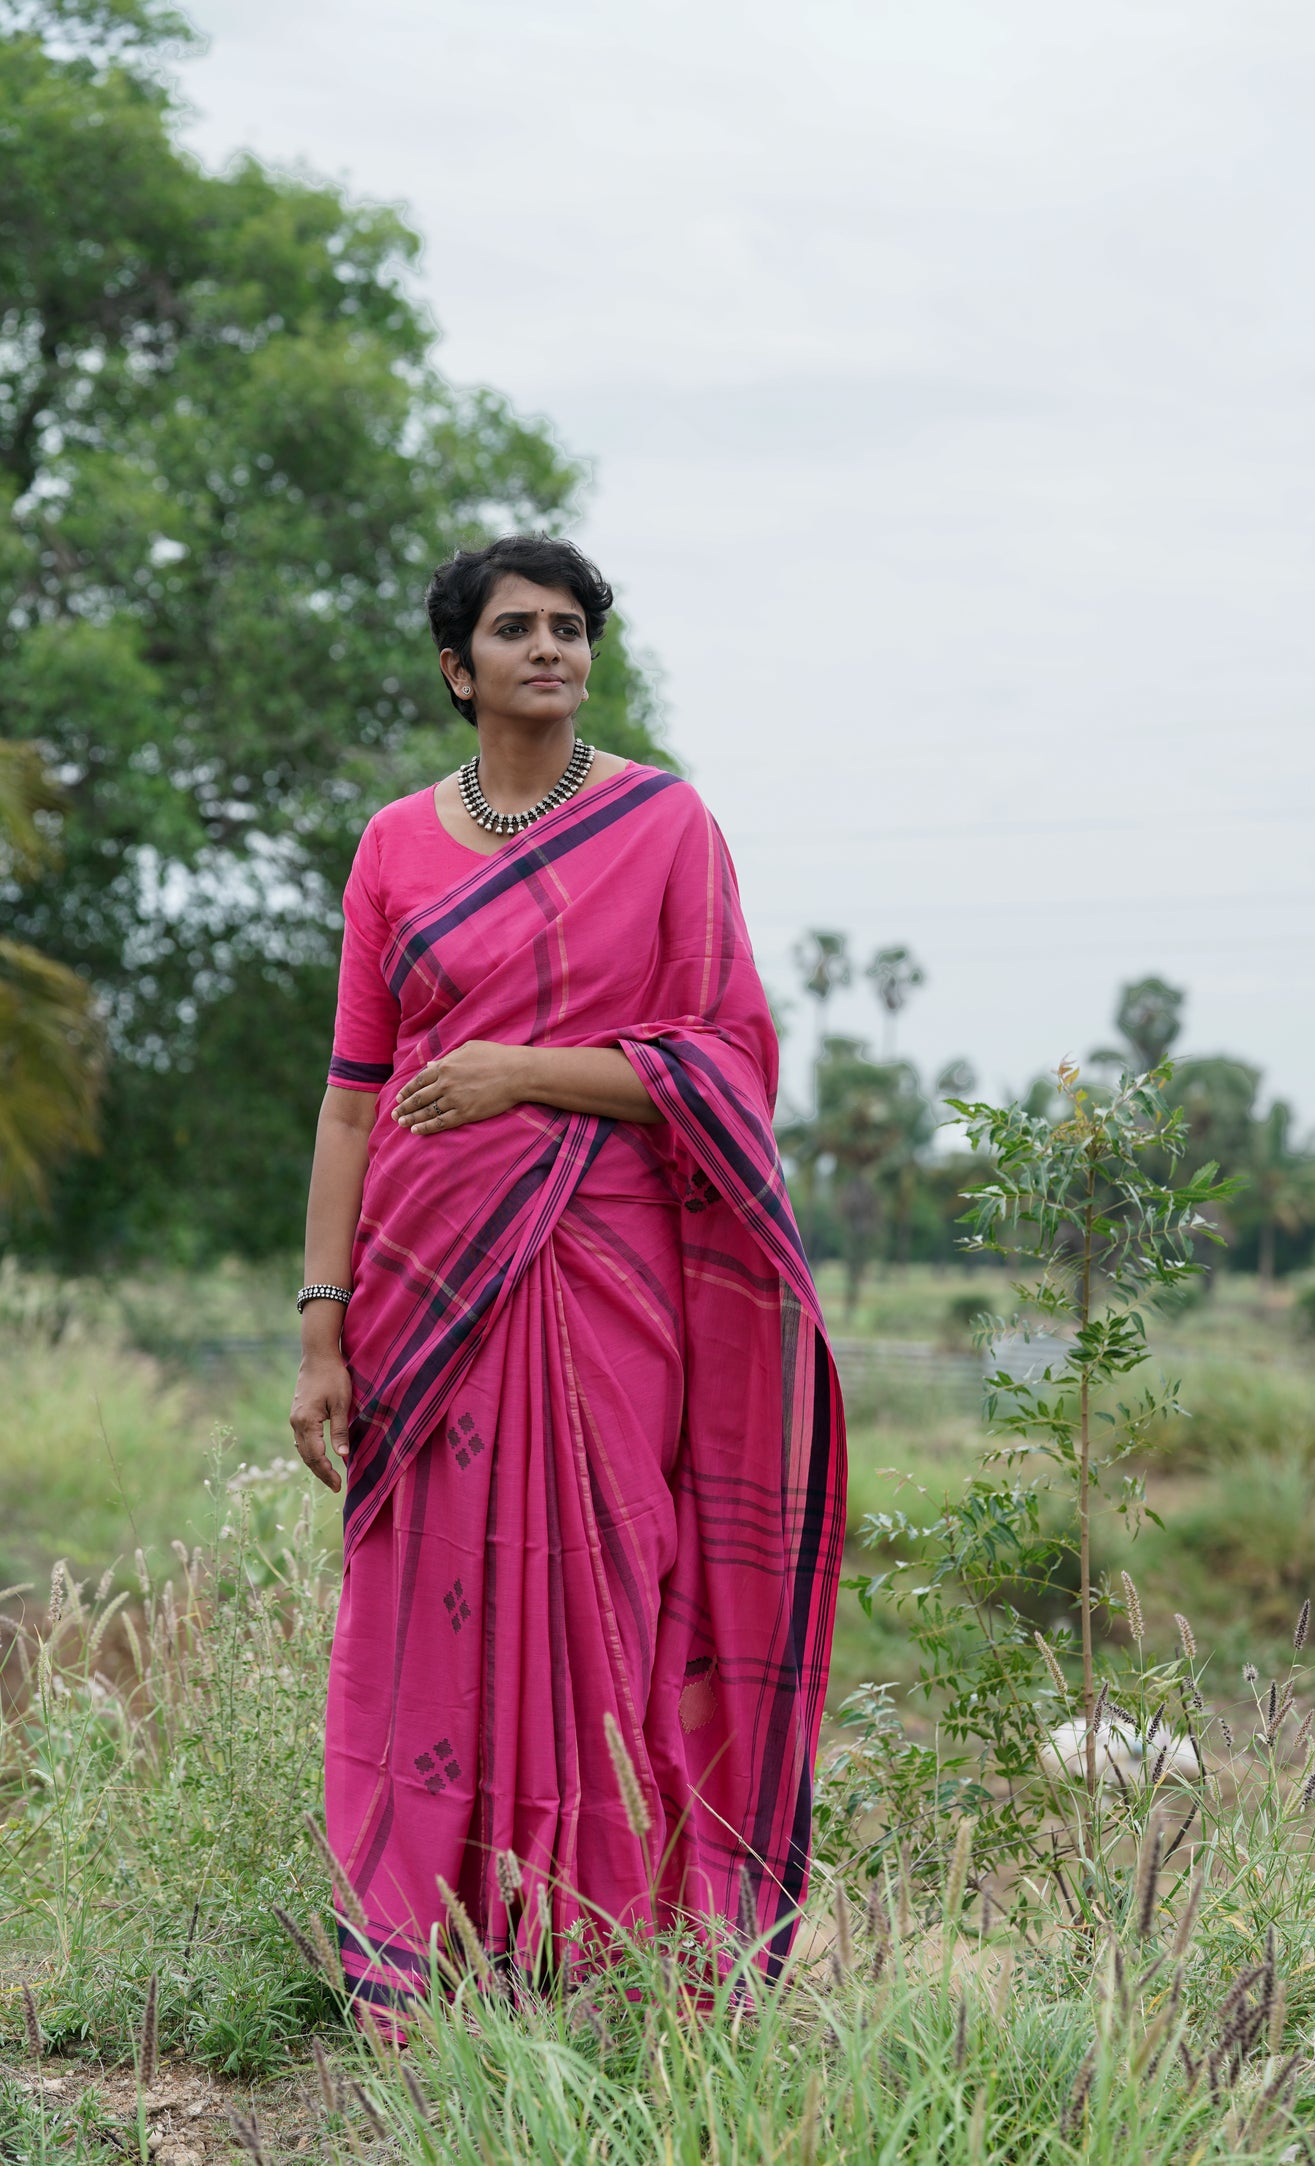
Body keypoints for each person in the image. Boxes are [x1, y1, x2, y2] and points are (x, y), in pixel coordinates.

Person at [289, 534, 845, 2020]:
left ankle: (594, 1935)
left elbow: (724, 1056)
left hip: (608, 1266)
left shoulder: (664, 826)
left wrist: (520, 1073)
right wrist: (320, 1327)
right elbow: (350, 1099)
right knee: (422, 1599)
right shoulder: (393, 848)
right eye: (519, 628)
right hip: (421, 1280)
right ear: (458, 668)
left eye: (573, 627)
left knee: (609, 1563)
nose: (554, 648)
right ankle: (415, 1940)